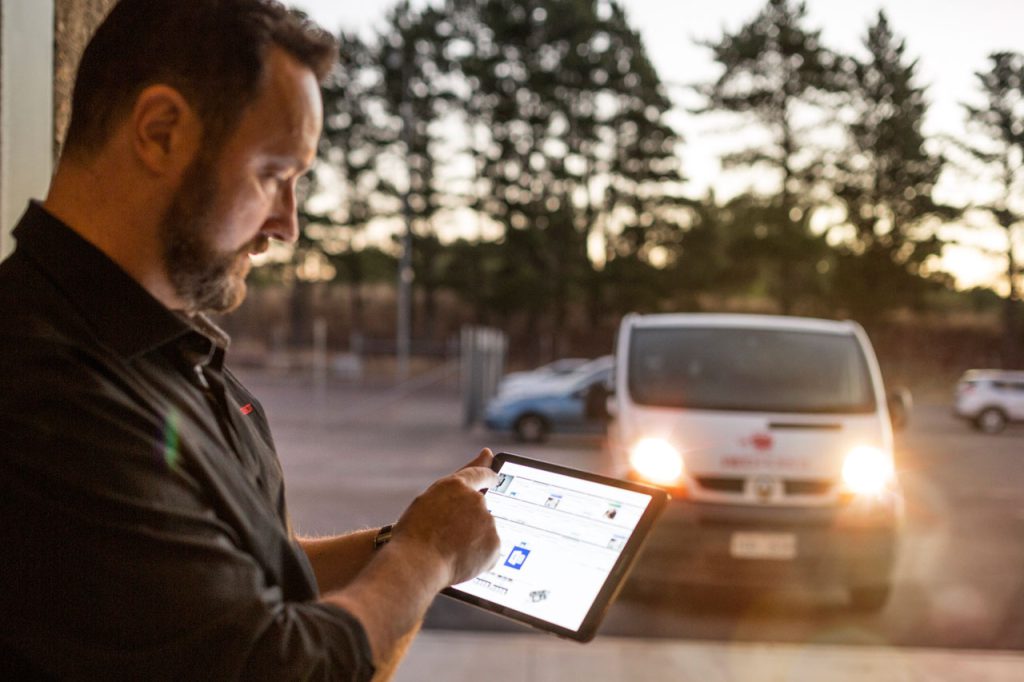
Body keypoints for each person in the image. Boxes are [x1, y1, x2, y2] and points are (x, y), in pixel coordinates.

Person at [0, 1, 500, 679]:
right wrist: (427, 559)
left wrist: (408, 536)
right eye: (273, 174)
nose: (289, 225)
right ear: (161, 130)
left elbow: (245, 578)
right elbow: (278, 666)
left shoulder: (165, 351)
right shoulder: (42, 386)